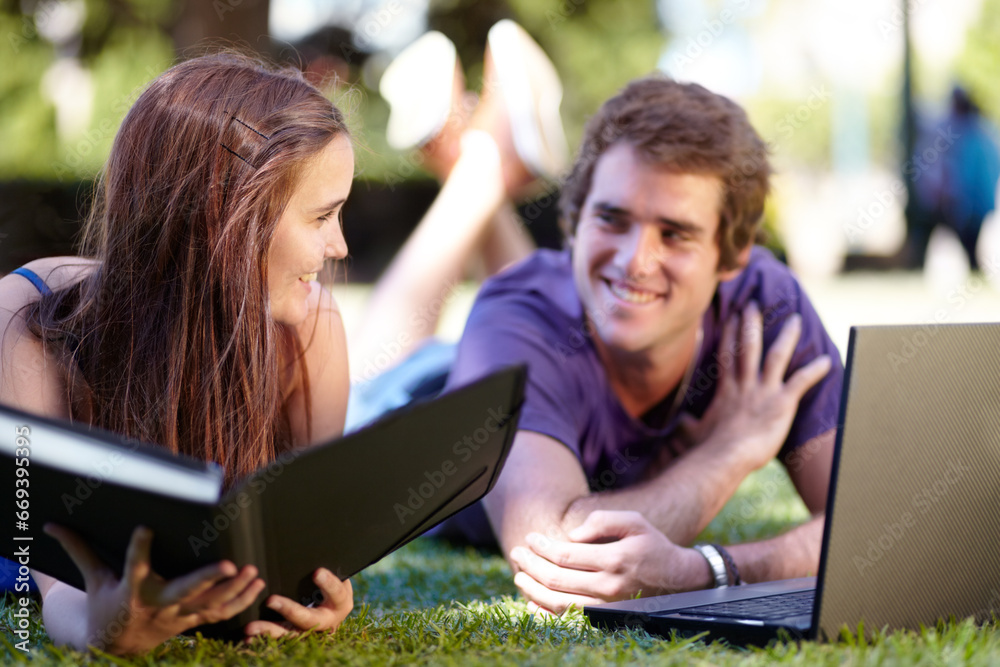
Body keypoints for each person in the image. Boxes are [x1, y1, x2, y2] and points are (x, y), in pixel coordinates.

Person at [0, 39, 550, 654]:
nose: (340, 246)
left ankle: (477, 162)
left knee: (398, 367)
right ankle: (479, 162)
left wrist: (320, 588)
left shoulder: (309, 326)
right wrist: (110, 628)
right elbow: (44, 581)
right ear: (226, 218)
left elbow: (317, 549)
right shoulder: (33, 321)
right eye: (321, 217)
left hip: (350, 384)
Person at [431, 75, 843, 615]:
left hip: (522, 367)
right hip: (417, 407)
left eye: (674, 233)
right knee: (371, 370)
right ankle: (475, 166)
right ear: (576, 221)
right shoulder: (516, 318)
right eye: (611, 218)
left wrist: (710, 570)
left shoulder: (764, 310)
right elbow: (561, 556)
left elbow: (872, 524)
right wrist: (729, 452)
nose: (635, 260)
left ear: (732, 253)